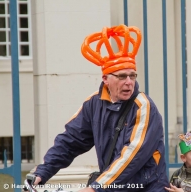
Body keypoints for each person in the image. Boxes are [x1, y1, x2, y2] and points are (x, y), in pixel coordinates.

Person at [32, 24, 169, 192]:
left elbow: (131, 156)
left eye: (132, 75)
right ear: (105, 78)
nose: (129, 82)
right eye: (121, 76)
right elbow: (70, 141)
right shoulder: (94, 103)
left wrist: (96, 188)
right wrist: (42, 173)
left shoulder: (144, 106)